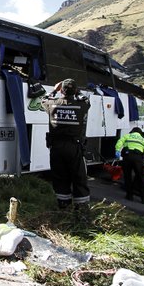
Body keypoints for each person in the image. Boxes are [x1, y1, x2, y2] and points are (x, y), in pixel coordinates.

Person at [42, 79, 91, 211]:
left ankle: (63, 207)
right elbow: (87, 100)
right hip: (74, 148)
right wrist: (78, 92)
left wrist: (54, 90)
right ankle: (81, 210)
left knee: (60, 177)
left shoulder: (52, 105)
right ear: (75, 91)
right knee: (79, 177)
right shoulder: (81, 105)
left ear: (61, 90)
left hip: (56, 148)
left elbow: (43, 99)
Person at [114, 127, 144, 203]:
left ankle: (129, 196)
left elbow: (120, 141)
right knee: (141, 177)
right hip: (138, 158)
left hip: (127, 157)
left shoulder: (128, 136)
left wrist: (117, 150)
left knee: (127, 177)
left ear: (132, 131)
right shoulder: (143, 140)